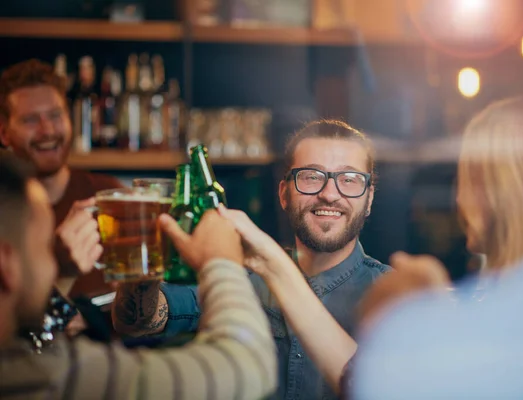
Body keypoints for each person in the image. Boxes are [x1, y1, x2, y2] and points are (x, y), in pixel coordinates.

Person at [113, 119, 392, 399]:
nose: (329, 194)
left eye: (349, 179)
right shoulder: (237, 275)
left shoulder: (400, 299)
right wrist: (140, 261)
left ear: (368, 199)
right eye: (311, 176)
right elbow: (139, 321)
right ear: (284, 194)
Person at [351, 92, 523, 398]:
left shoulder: (421, 344)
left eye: (466, 178)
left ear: (495, 192)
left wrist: (415, 319)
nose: (457, 199)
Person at [0, 150, 277, 400]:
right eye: (45, 246)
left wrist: (63, 275)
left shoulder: (18, 365)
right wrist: (221, 260)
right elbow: (249, 368)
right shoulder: (55, 376)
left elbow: (34, 342)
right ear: (5, 266)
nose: (53, 262)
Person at [0, 59, 122, 300]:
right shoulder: (7, 213)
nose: (47, 131)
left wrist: (92, 318)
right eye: (31, 120)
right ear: (4, 133)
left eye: (55, 115)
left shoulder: (108, 194)